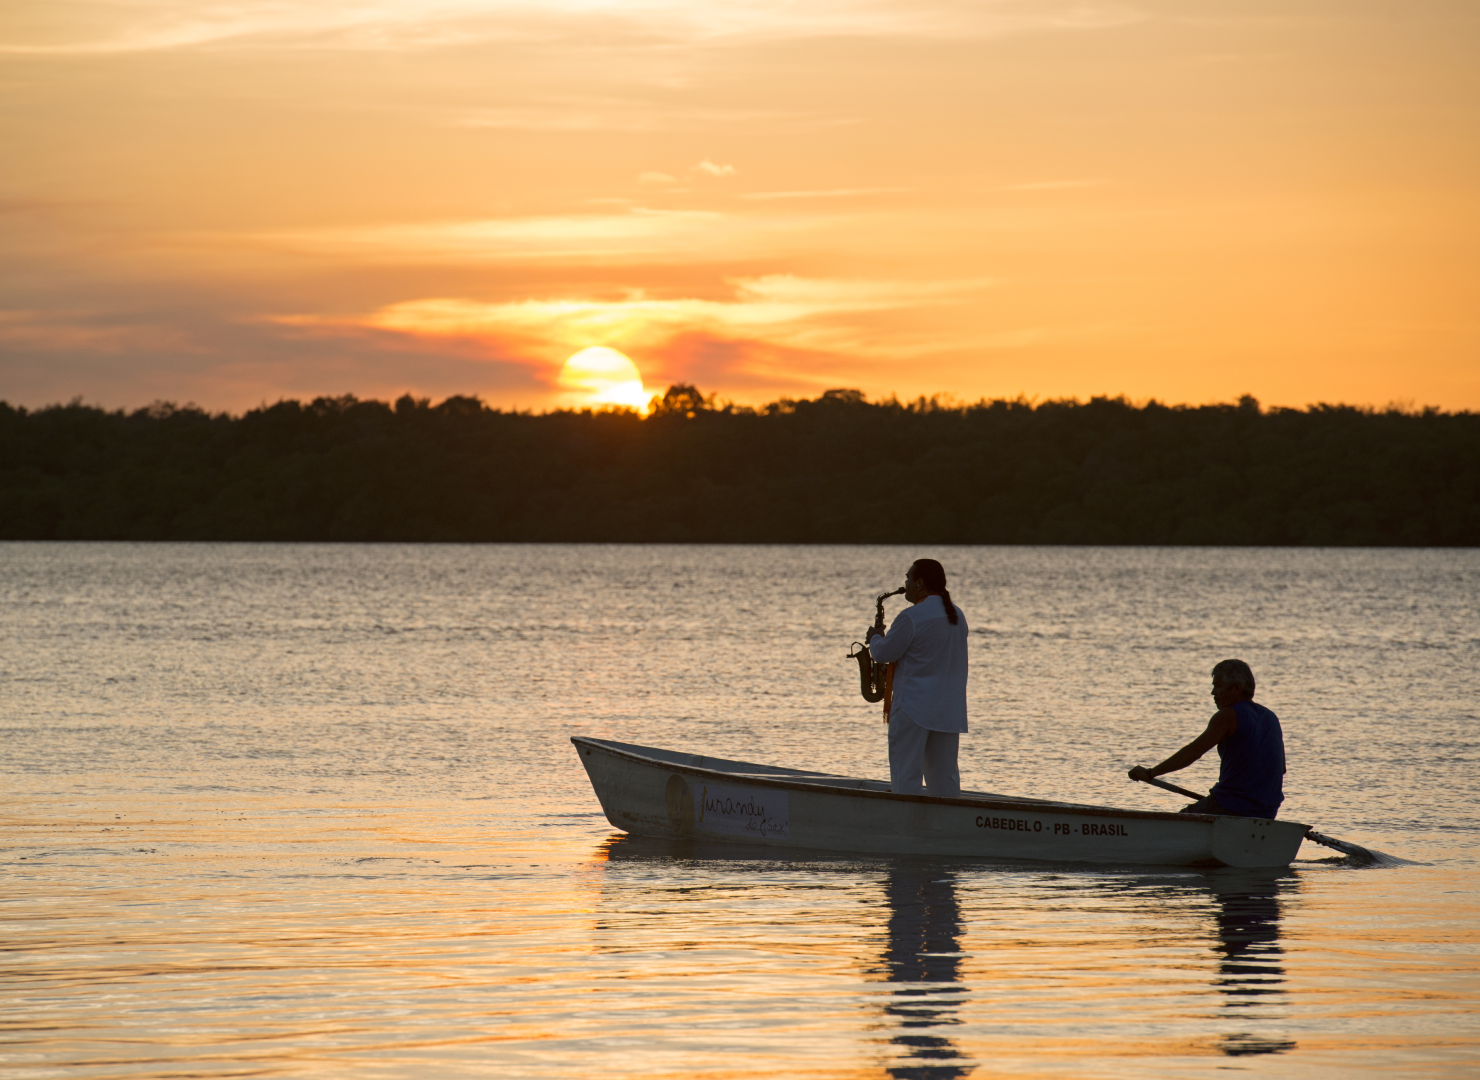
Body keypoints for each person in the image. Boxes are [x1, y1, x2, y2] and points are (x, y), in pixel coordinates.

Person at [1128, 659, 1286, 818]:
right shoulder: (1271, 718)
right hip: (1267, 812)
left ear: (1236, 688)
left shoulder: (1227, 716)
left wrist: (1151, 773)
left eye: (1217, 686)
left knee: (1178, 821)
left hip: (1230, 805)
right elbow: (1281, 769)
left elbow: (1193, 752)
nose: (1213, 692)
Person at [864, 559, 969, 797]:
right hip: (948, 711)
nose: (905, 584)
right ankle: (945, 827)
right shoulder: (958, 615)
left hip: (913, 709)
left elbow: (883, 653)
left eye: (908, 578)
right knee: (945, 782)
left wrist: (875, 637)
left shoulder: (911, 617)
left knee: (905, 780)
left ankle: (904, 829)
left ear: (919, 583)